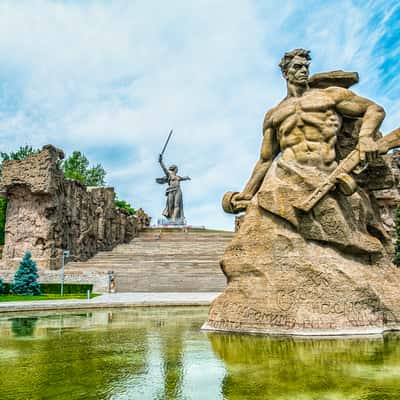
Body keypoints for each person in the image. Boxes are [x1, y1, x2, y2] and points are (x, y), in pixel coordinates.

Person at [226, 48, 389, 256]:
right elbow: (265, 159)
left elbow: (374, 109)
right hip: (284, 176)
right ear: (286, 73)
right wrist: (247, 193)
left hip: (325, 174)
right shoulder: (274, 115)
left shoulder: (329, 96)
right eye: (297, 67)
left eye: (306, 67)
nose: (303, 70)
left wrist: (365, 137)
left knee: (344, 234)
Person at [157, 154, 191, 223]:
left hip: (178, 191)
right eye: (177, 168)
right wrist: (161, 161)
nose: (178, 170)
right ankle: (170, 219)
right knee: (170, 206)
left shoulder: (178, 177)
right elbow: (164, 168)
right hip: (171, 191)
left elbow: (183, 178)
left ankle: (173, 220)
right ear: (174, 169)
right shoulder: (169, 175)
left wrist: (186, 177)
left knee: (177, 205)